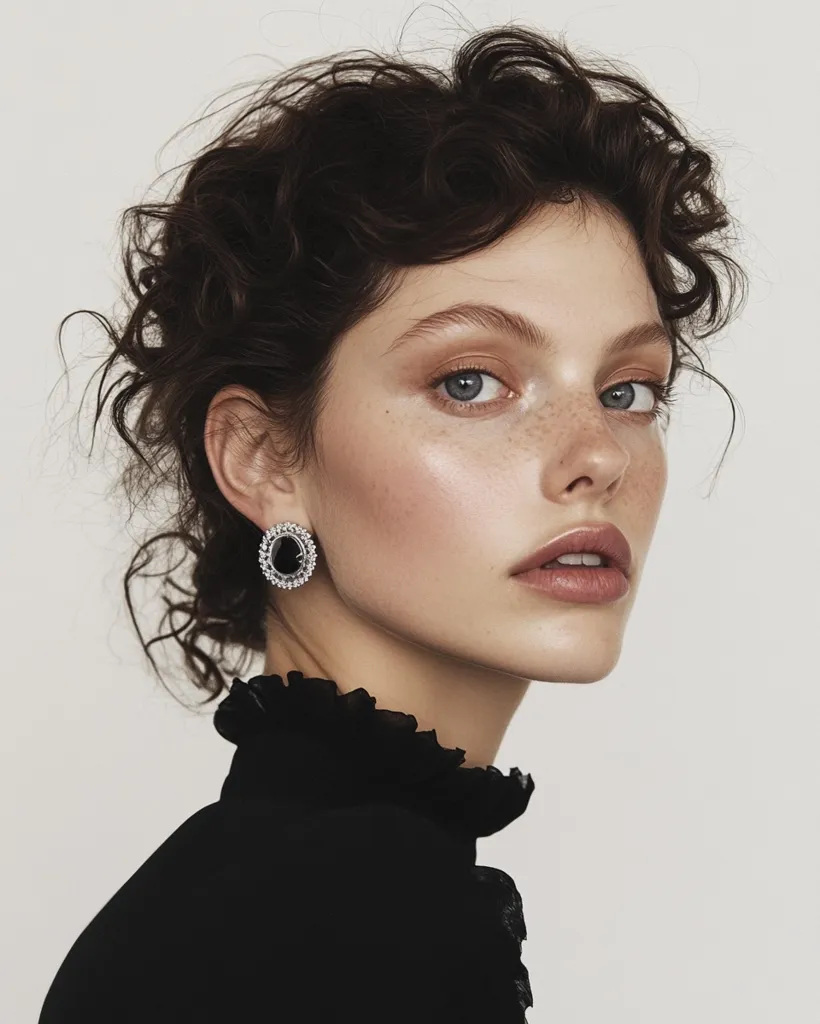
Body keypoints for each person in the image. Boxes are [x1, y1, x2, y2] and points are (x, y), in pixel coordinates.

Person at [37, 22, 746, 1023]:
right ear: (263, 458)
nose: (597, 454)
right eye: (471, 382)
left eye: (627, 390)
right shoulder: (358, 911)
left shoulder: (273, 884)